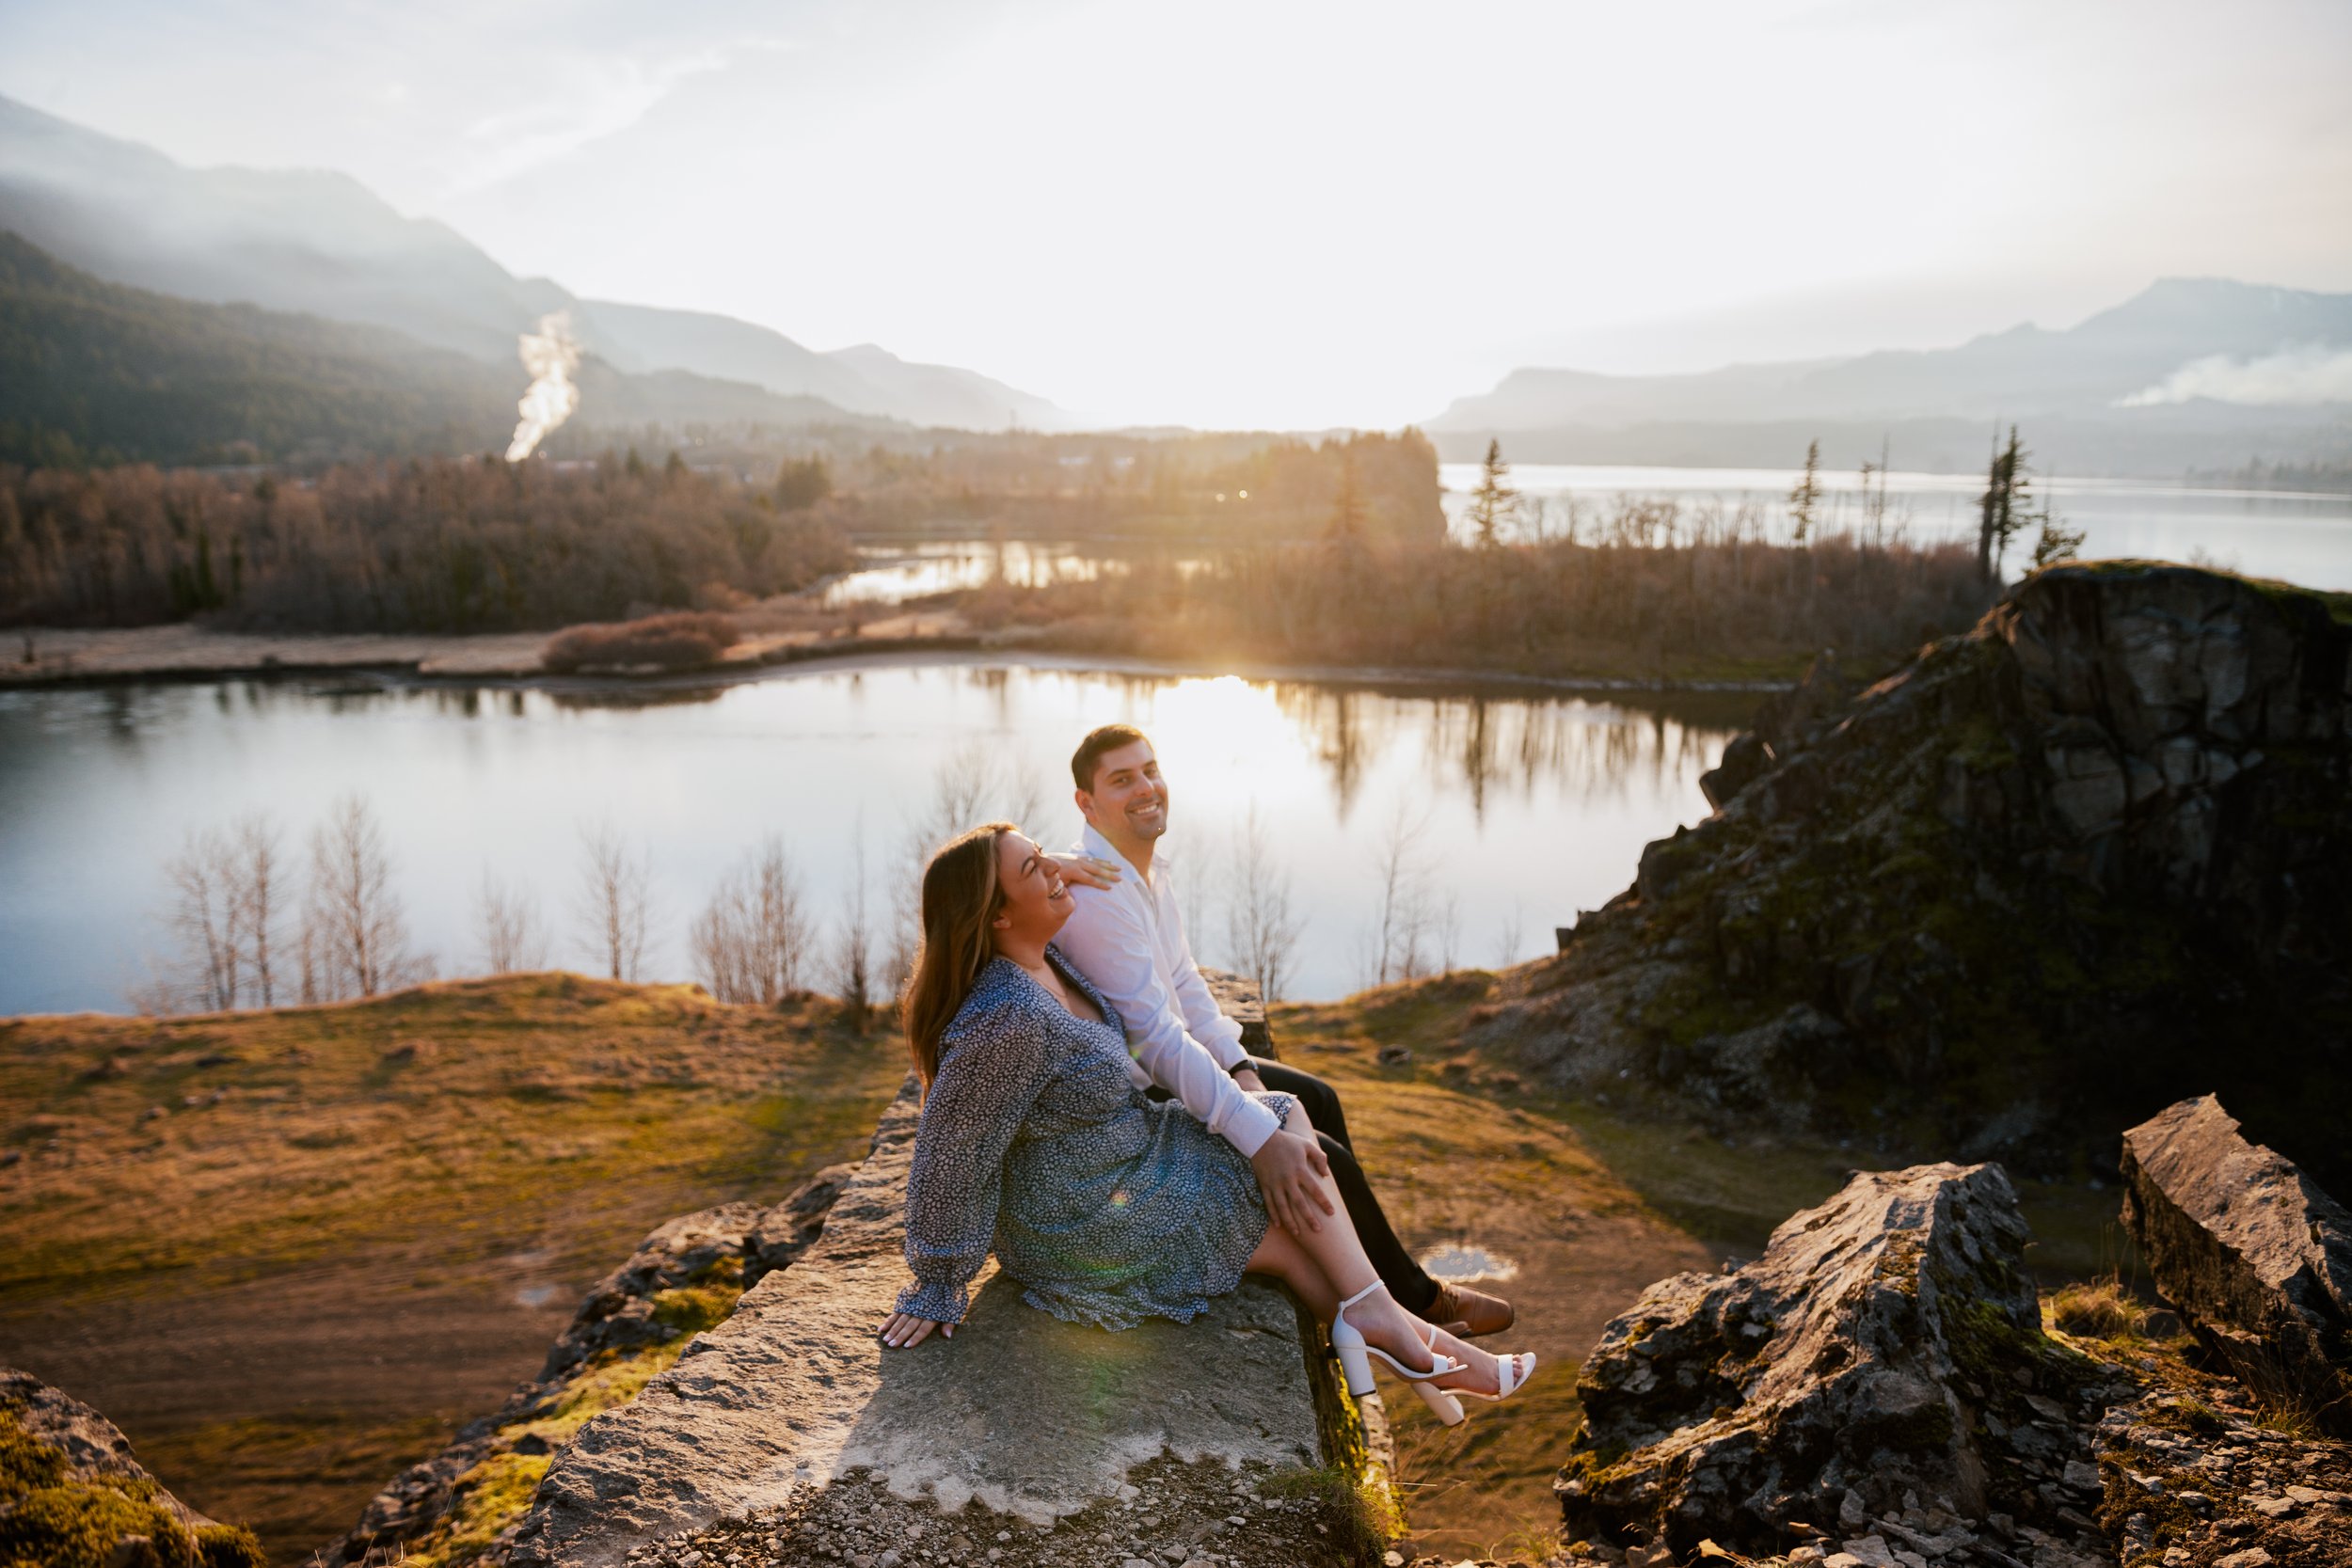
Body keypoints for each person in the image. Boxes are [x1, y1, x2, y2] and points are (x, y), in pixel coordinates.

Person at [875, 823, 1534, 1426]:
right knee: (1280, 1209)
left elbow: (1040, 887)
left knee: (1283, 1119)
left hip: (1121, 1164)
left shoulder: (1046, 959)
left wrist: (1066, 866)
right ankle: (1401, 1333)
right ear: (997, 914)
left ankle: (1384, 1329)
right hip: (1077, 1214)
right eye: (1034, 868)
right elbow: (950, 1154)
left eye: (1046, 856)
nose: (1053, 869)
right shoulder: (1007, 1018)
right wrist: (937, 1280)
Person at [1051, 724, 1514, 1338]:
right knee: (1320, 1157)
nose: (1147, 787)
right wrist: (1257, 1132)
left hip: (1170, 1062)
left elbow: (1186, 984)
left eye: (1150, 769)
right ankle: (1417, 1303)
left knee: (1319, 1097)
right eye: (1122, 778)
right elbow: (1157, 1042)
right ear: (1086, 802)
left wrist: (1240, 1068)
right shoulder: (1099, 894)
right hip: (1138, 1099)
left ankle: (1363, 1273)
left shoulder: (1143, 869)